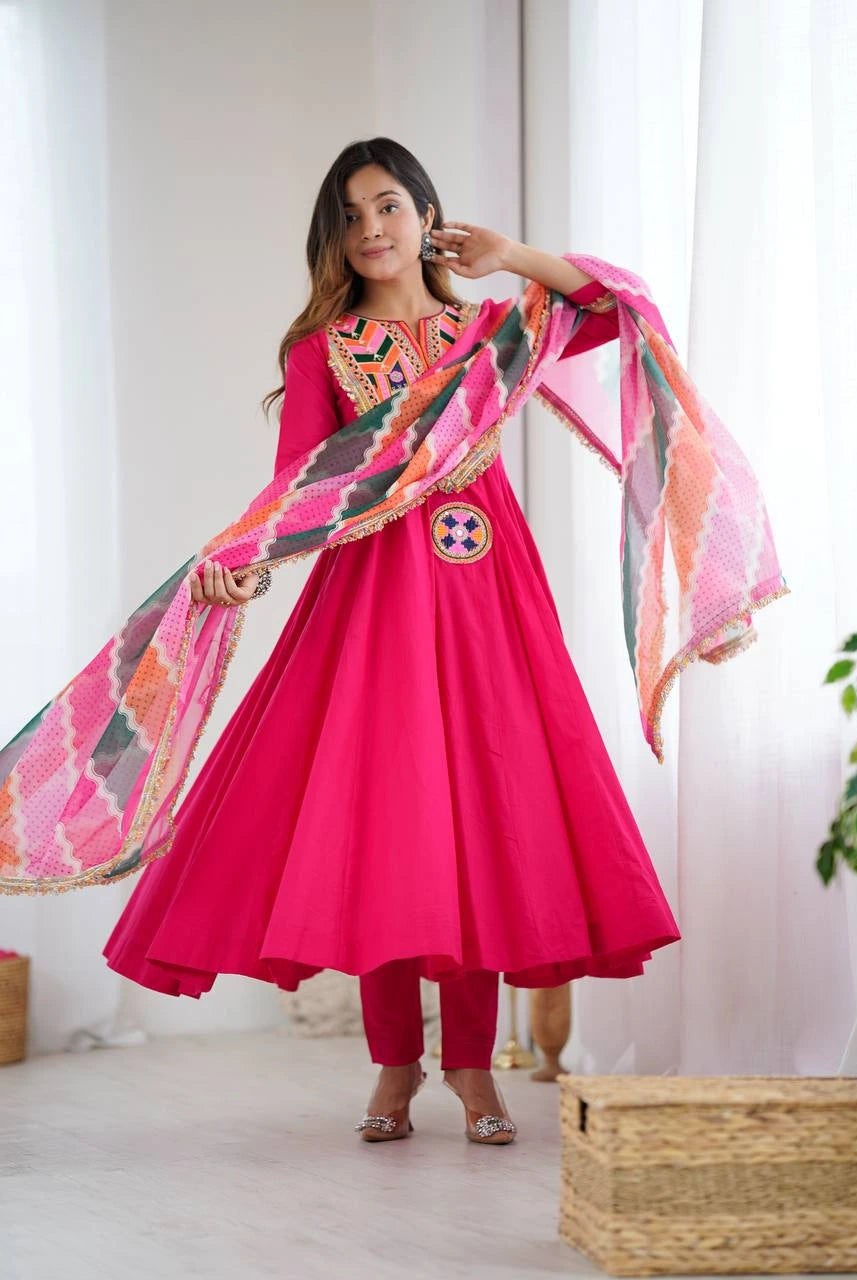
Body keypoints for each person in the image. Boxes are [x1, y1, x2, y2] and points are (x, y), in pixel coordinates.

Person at [98, 137, 682, 1145]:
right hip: (371, 599)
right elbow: (298, 488)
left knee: (481, 819)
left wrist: (511, 256)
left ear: (426, 217)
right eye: (350, 215)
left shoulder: (491, 329)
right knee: (387, 821)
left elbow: (618, 307)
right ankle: (395, 1066)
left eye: (388, 207)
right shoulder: (322, 351)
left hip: (487, 595)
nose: (370, 229)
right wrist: (245, 566)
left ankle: (473, 1069)